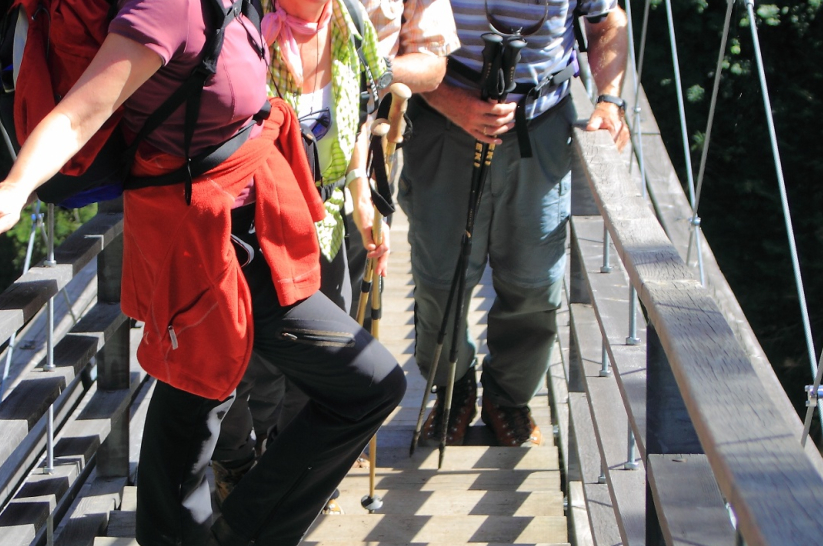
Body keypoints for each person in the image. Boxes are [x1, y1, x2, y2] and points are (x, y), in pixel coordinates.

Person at [0, 0, 406, 546]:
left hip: (242, 218)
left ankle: (200, 542)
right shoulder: (168, 6)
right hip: (210, 234)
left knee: (197, 391)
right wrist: (14, 188)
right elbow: (79, 113)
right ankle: (241, 543)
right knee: (359, 385)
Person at [402, 0, 629, 447]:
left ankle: (509, 399)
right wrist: (450, 100)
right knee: (440, 278)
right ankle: (453, 389)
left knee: (534, 279)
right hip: (444, 123)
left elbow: (608, 24)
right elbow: (394, 40)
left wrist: (609, 99)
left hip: (540, 125)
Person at [209, 0, 393, 510]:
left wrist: (360, 195)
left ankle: (292, 463)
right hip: (254, 217)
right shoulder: (244, 26)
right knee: (247, 359)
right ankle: (237, 466)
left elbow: (360, 114)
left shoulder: (352, 24)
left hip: (325, 218)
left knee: (320, 357)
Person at [345, 0, 459, 314]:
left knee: (357, 303)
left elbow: (432, 65)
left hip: (370, 158)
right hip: (279, 157)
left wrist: (364, 68)